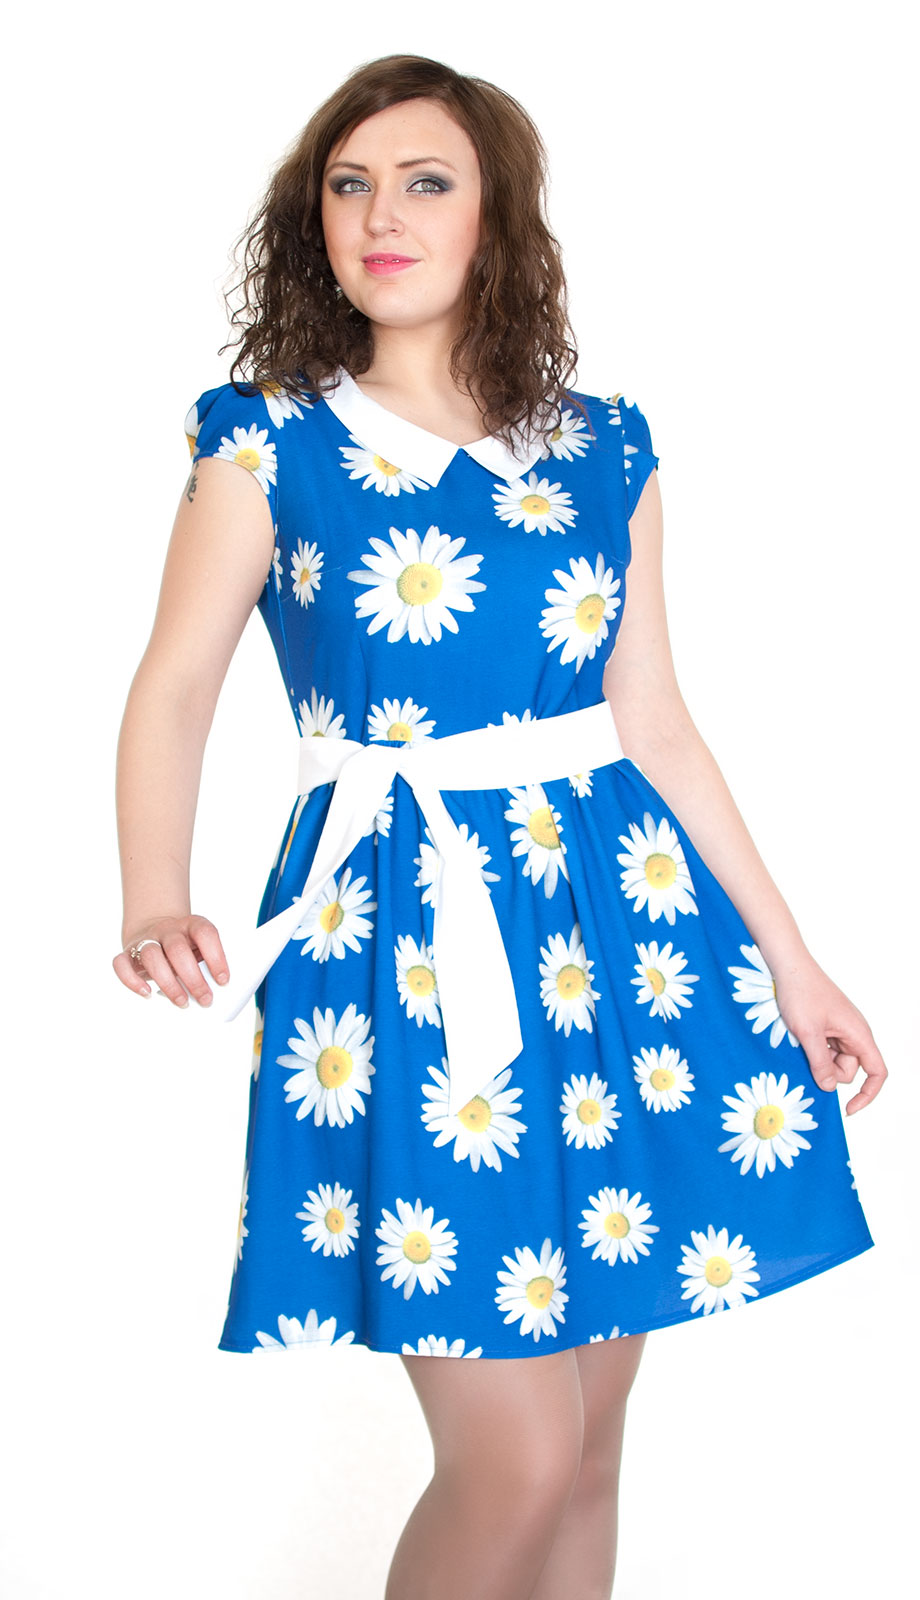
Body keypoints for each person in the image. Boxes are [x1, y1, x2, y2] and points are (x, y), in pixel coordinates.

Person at [113, 52, 887, 1600]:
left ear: (497, 218)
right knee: (517, 1452)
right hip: (403, 933)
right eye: (348, 186)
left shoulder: (607, 449)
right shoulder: (267, 442)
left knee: (589, 1445)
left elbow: (655, 720)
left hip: (622, 936)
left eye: (425, 183)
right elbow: (176, 682)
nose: (380, 216)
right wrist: (154, 890)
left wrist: (795, 961)